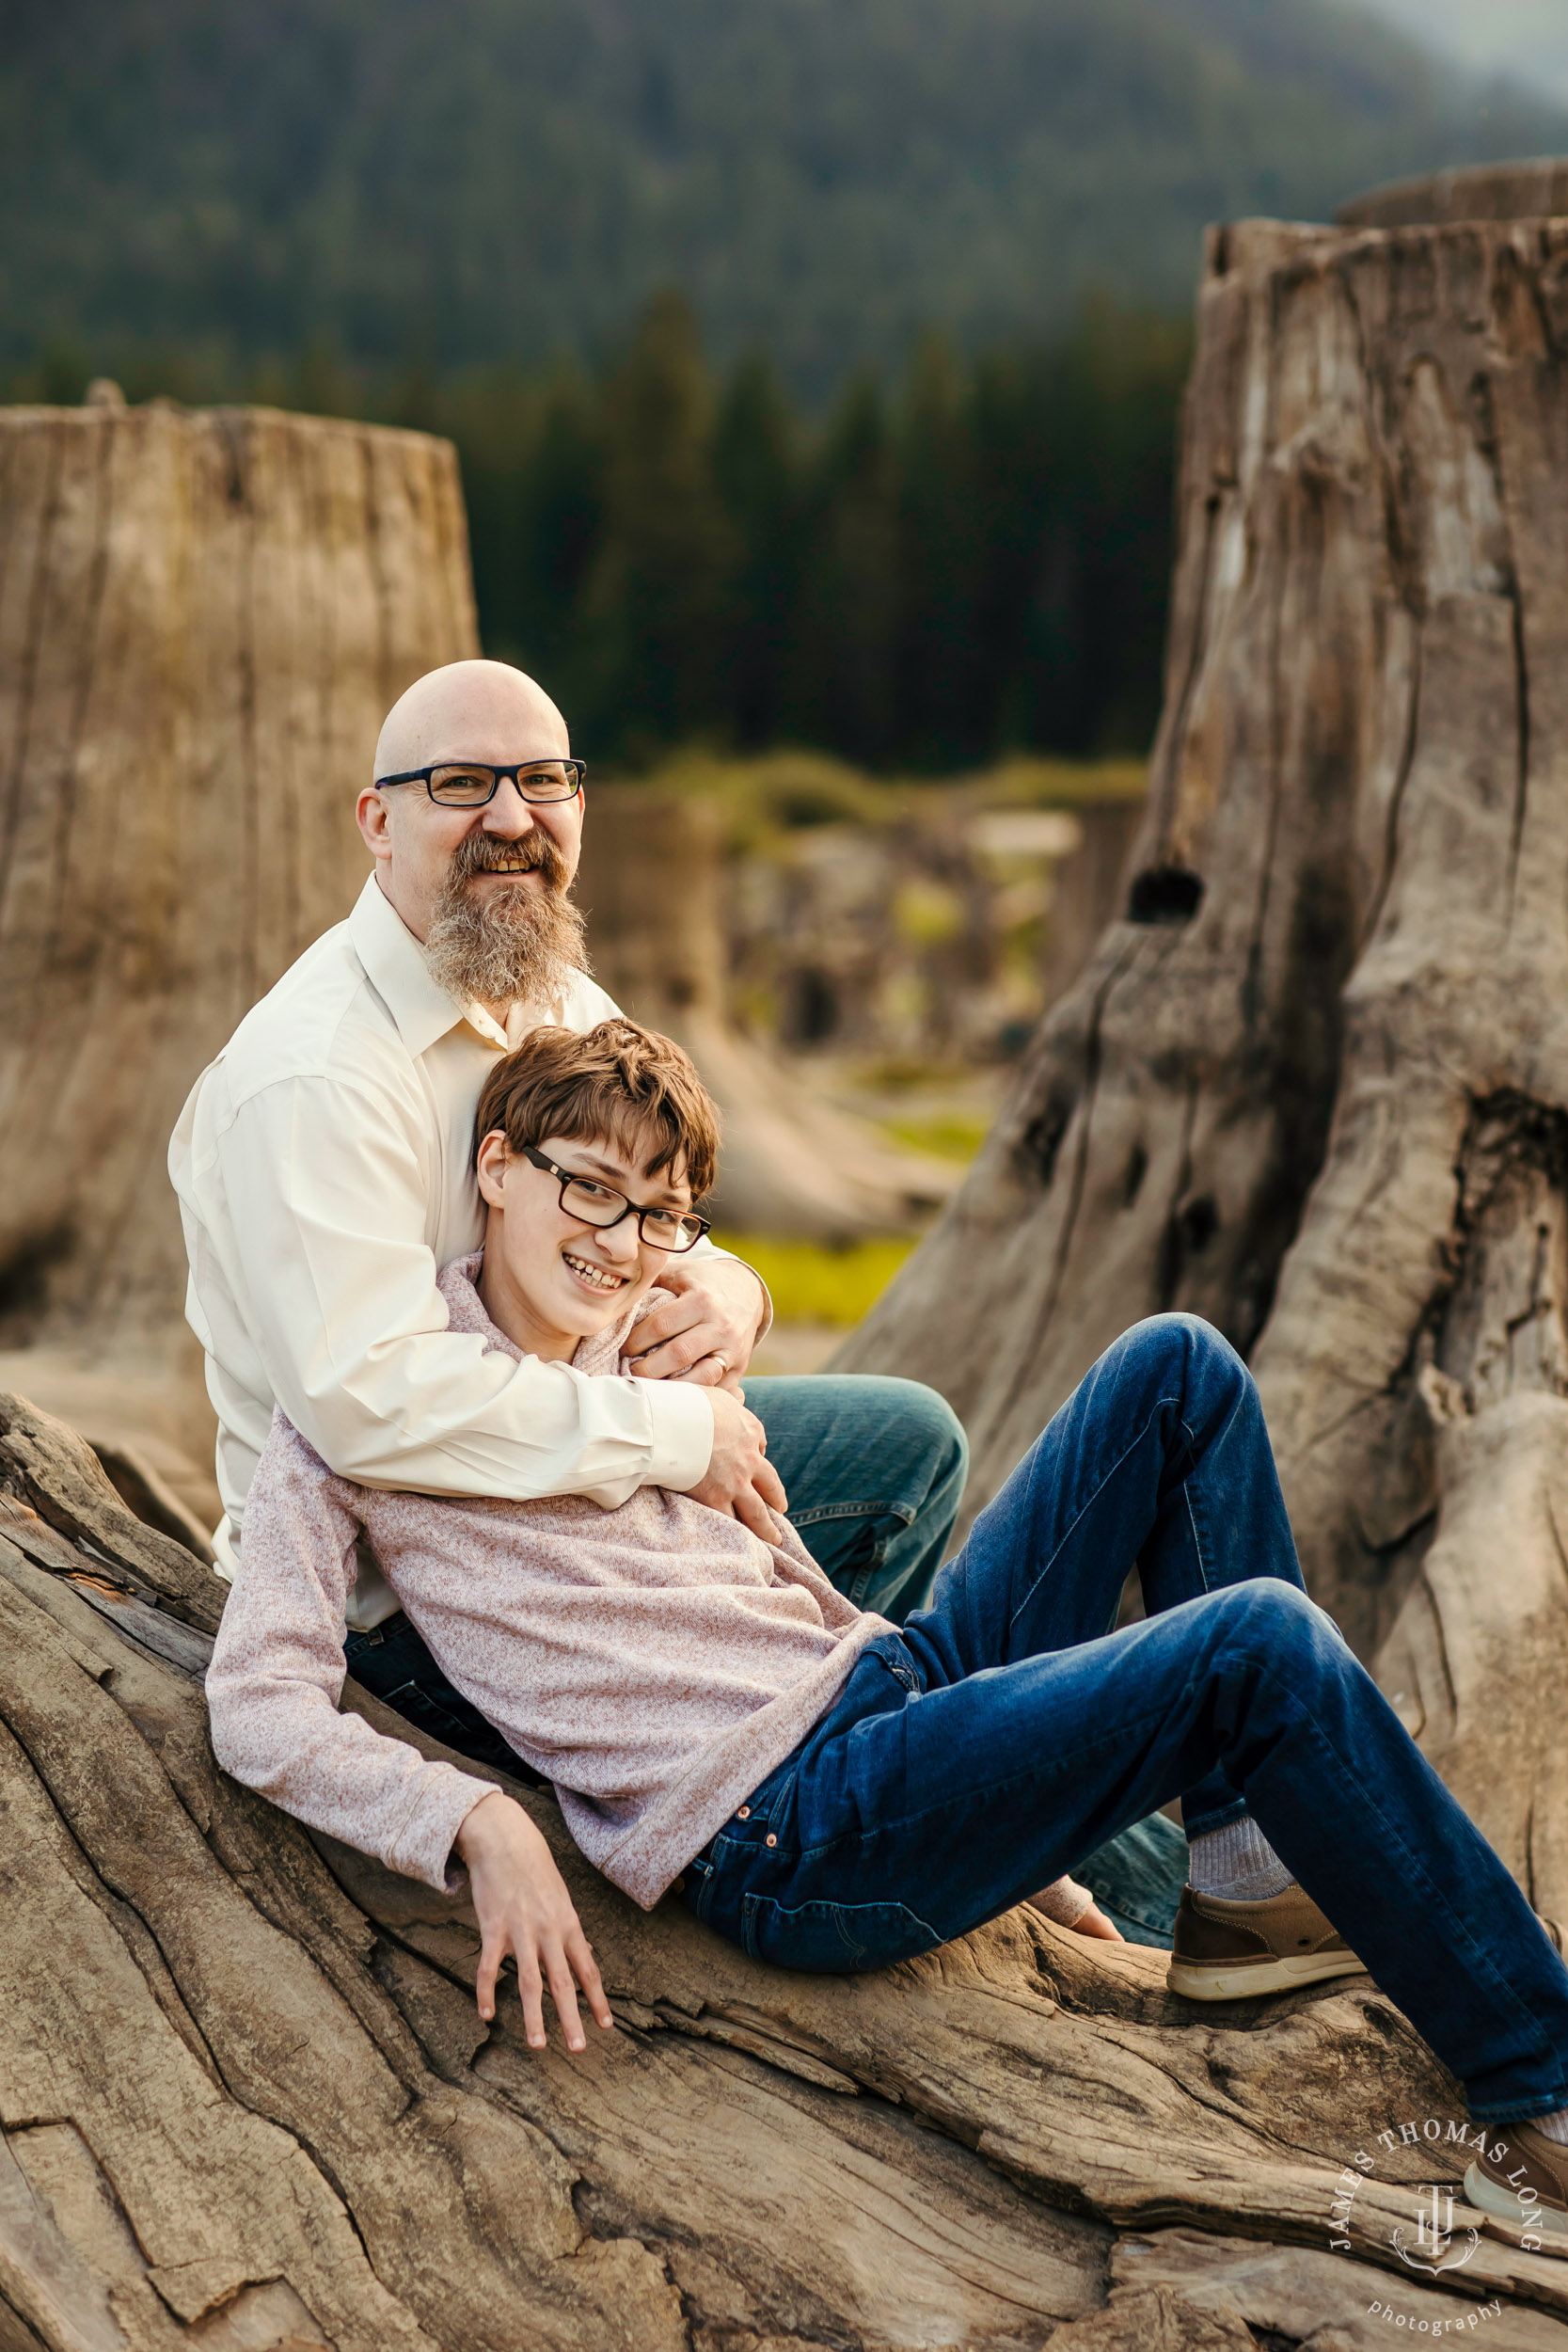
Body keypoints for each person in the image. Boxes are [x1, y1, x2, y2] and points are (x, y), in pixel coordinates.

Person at [207, 1018, 1568, 2259]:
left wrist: (997, 1813)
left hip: (883, 1702)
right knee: (1252, 1645)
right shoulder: (374, 1407)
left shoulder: (640, 1358)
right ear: (494, 1169)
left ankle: (1247, 1884)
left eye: (657, 1215)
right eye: (587, 1189)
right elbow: (259, 1697)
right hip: (790, 1826)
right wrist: (473, 1823)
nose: (619, 1245)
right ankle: (1538, 2088)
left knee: (1177, 1370)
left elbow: (770, 1585)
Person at [169, 658, 970, 1733]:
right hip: (404, 1609)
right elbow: (371, 1406)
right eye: (458, 783)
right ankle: (812, 1794)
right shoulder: (313, 1074)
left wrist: (731, 1293)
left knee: (912, 1443)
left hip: (568, 1516)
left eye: (542, 779)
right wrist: (678, 1437)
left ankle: (826, 1763)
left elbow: (646, 1206)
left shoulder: (553, 993)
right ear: (377, 820)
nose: (511, 816)